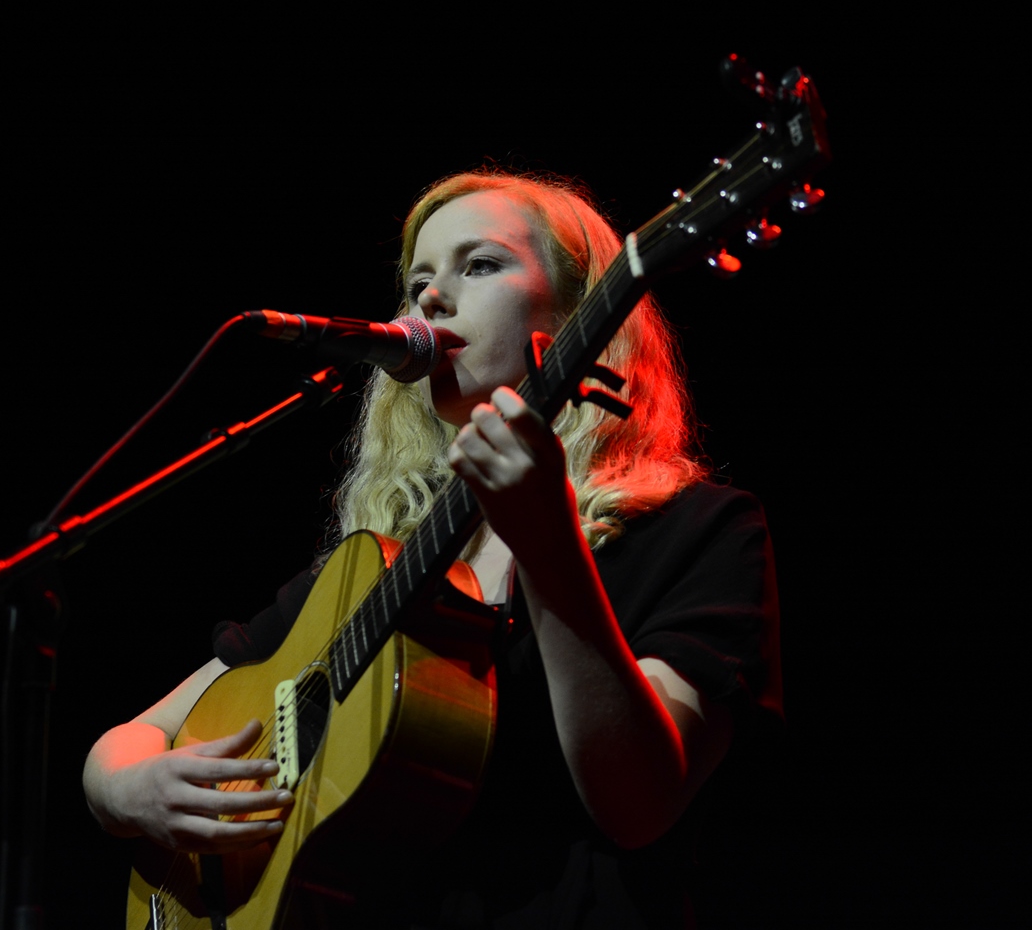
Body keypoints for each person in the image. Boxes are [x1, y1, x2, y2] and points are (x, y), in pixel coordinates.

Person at [83, 170, 782, 928]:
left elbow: (639, 803)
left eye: (479, 265)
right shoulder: (375, 569)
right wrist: (124, 791)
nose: (430, 298)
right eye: (417, 280)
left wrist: (547, 545)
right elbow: (134, 736)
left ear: (582, 311)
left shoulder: (699, 531)